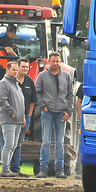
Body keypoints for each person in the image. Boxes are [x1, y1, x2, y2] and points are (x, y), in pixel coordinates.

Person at [35, 51, 74, 179]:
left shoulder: (66, 76)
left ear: (60, 62)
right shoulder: (42, 76)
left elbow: (70, 95)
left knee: (60, 142)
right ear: (49, 62)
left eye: (57, 61)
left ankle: (60, 170)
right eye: (53, 61)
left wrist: (69, 111)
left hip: (61, 113)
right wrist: (43, 107)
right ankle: (43, 170)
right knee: (45, 141)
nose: (55, 63)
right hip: (48, 112)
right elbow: (38, 93)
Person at [0, 61, 25, 177]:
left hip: (17, 120)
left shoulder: (16, 84)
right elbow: (2, 101)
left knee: (13, 145)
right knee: (8, 144)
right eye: (13, 69)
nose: (16, 72)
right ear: (7, 69)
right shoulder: (3, 84)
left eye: (17, 70)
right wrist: (12, 112)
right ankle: (5, 169)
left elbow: (21, 102)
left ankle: (8, 168)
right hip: (9, 119)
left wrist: (22, 116)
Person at [11, 57, 37, 176]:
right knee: (9, 143)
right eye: (23, 67)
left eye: (27, 67)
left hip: (25, 118)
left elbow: (33, 100)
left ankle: (15, 168)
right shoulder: (9, 81)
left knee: (18, 143)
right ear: (18, 67)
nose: (25, 69)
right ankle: (7, 167)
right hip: (11, 117)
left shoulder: (29, 82)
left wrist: (29, 115)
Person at [74, 82, 83, 179]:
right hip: (84, 120)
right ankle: (79, 170)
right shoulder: (84, 86)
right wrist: (80, 116)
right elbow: (78, 101)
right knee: (82, 143)